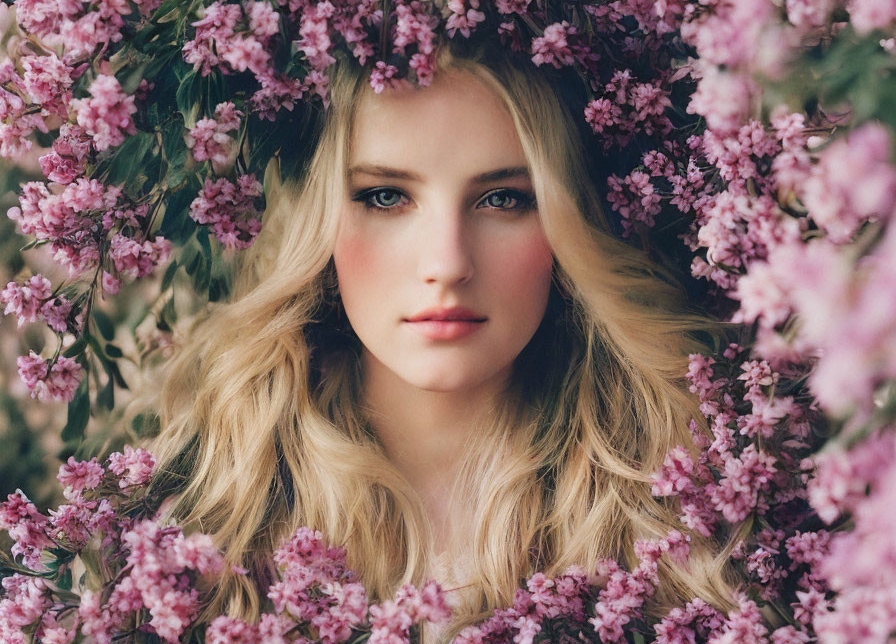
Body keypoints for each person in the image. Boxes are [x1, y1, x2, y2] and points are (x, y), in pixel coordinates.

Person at [143, 39, 732, 642]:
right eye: (386, 197)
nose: (447, 264)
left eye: (503, 199)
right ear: (315, 221)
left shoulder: (680, 508)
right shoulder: (206, 517)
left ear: (567, 224)